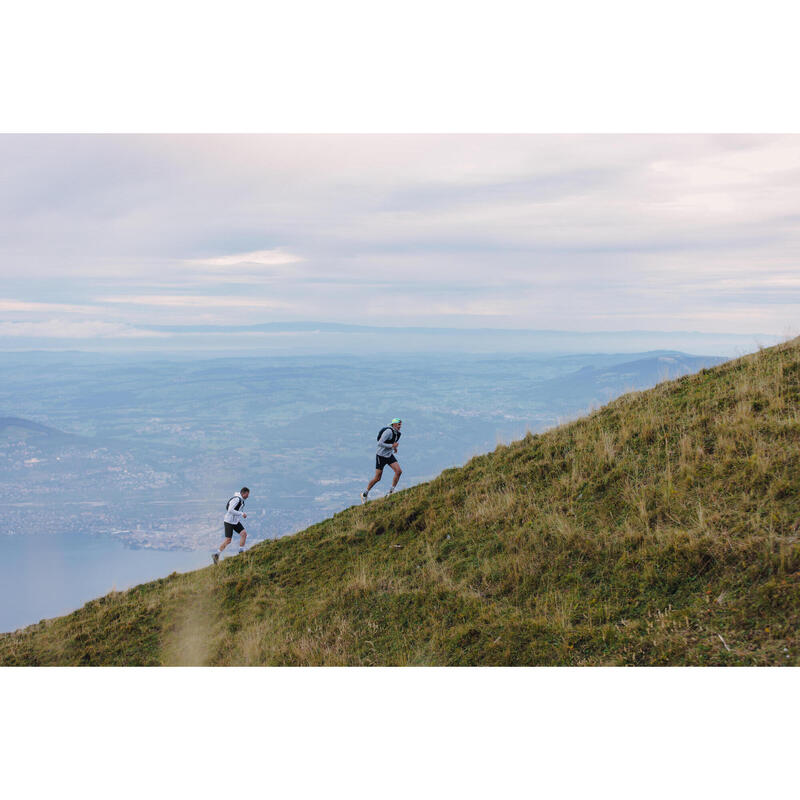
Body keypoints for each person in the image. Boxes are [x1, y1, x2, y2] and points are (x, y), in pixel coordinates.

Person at [361, 419, 403, 503]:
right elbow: (379, 443)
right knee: (377, 478)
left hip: (389, 455)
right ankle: (364, 494)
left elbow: (392, 442)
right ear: (394, 424)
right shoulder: (388, 432)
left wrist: (394, 448)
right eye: (398, 424)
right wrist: (392, 446)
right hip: (380, 456)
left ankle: (390, 492)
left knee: (398, 471)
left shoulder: (397, 433)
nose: (400, 426)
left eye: (400, 425)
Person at [212, 487, 250, 563]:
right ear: (243, 493)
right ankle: (216, 555)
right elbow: (230, 510)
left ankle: (241, 552)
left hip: (235, 521)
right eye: (247, 494)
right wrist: (241, 513)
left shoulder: (241, 500)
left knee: (244, 534)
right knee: (228, 540)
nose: (248, 496)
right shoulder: (237, 499)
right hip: (228, 521)